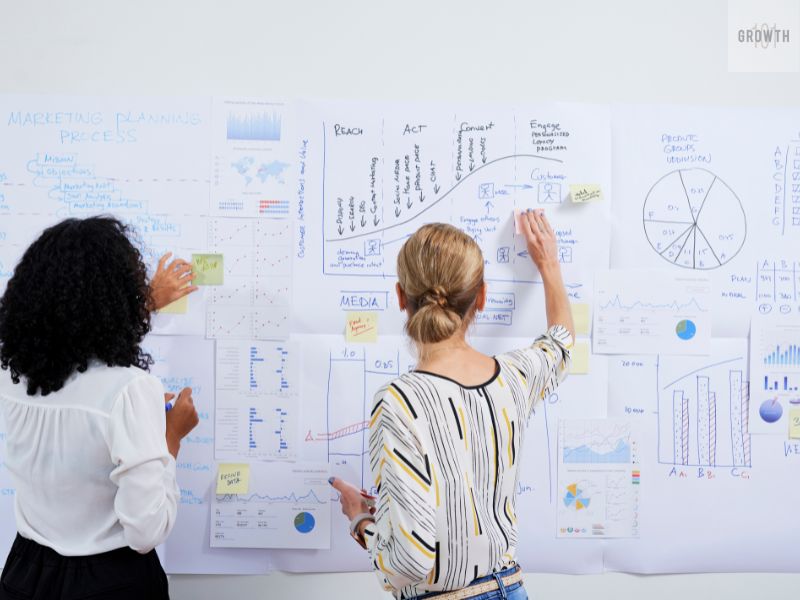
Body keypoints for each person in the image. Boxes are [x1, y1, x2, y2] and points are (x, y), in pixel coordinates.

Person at [331, 210, 574, 600]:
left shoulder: (398, 403)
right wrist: (548, 263)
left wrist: (361, 520)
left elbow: (410, 562)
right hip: (511, 588)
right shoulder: (515, 377)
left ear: (399, 297)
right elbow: (561, 343)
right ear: (481, 295)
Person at [0, 216, 200, 599]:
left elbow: (72, 341)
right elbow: (146, 531)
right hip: (110, 582)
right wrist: (169, 438)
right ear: (119, 294)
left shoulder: (12, 371)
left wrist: (145, 304)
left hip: (24, 573)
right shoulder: (130, 391)